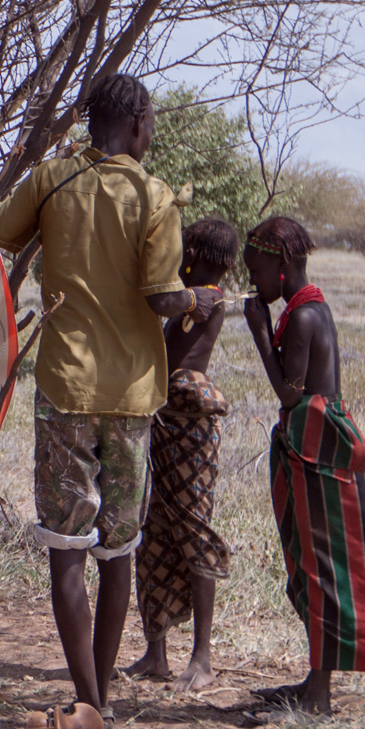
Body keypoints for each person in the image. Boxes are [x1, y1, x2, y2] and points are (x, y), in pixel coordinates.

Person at [0, 74, 222, 729]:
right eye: (153, 121)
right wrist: (201, 300)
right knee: (117, 551)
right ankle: (97, 698)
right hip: (130, 398)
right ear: (137, 124)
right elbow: (164, 298)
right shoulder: (155, 196)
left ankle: (91, 702)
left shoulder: (52, 180)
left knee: (67, 549)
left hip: (64, 390)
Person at [242, 216, 365, 715]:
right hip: (315, 440)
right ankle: (313, 683)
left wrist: (259, 331)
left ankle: (319, 696)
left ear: (280, 264)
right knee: (311, 559)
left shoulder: (302, 317)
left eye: (256, 270)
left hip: (320, 445)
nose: (253, 283)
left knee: (322, 563)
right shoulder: (308, 307)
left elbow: (289, 392)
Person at [126, 219, 238, 691]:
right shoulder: (192, 295)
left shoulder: (206, 299)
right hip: (169, 424)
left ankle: (203, 658)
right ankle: (156, 653)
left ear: (193, 251)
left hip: (187, 427)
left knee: (191, 530)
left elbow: (172, 361)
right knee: (155, 535)